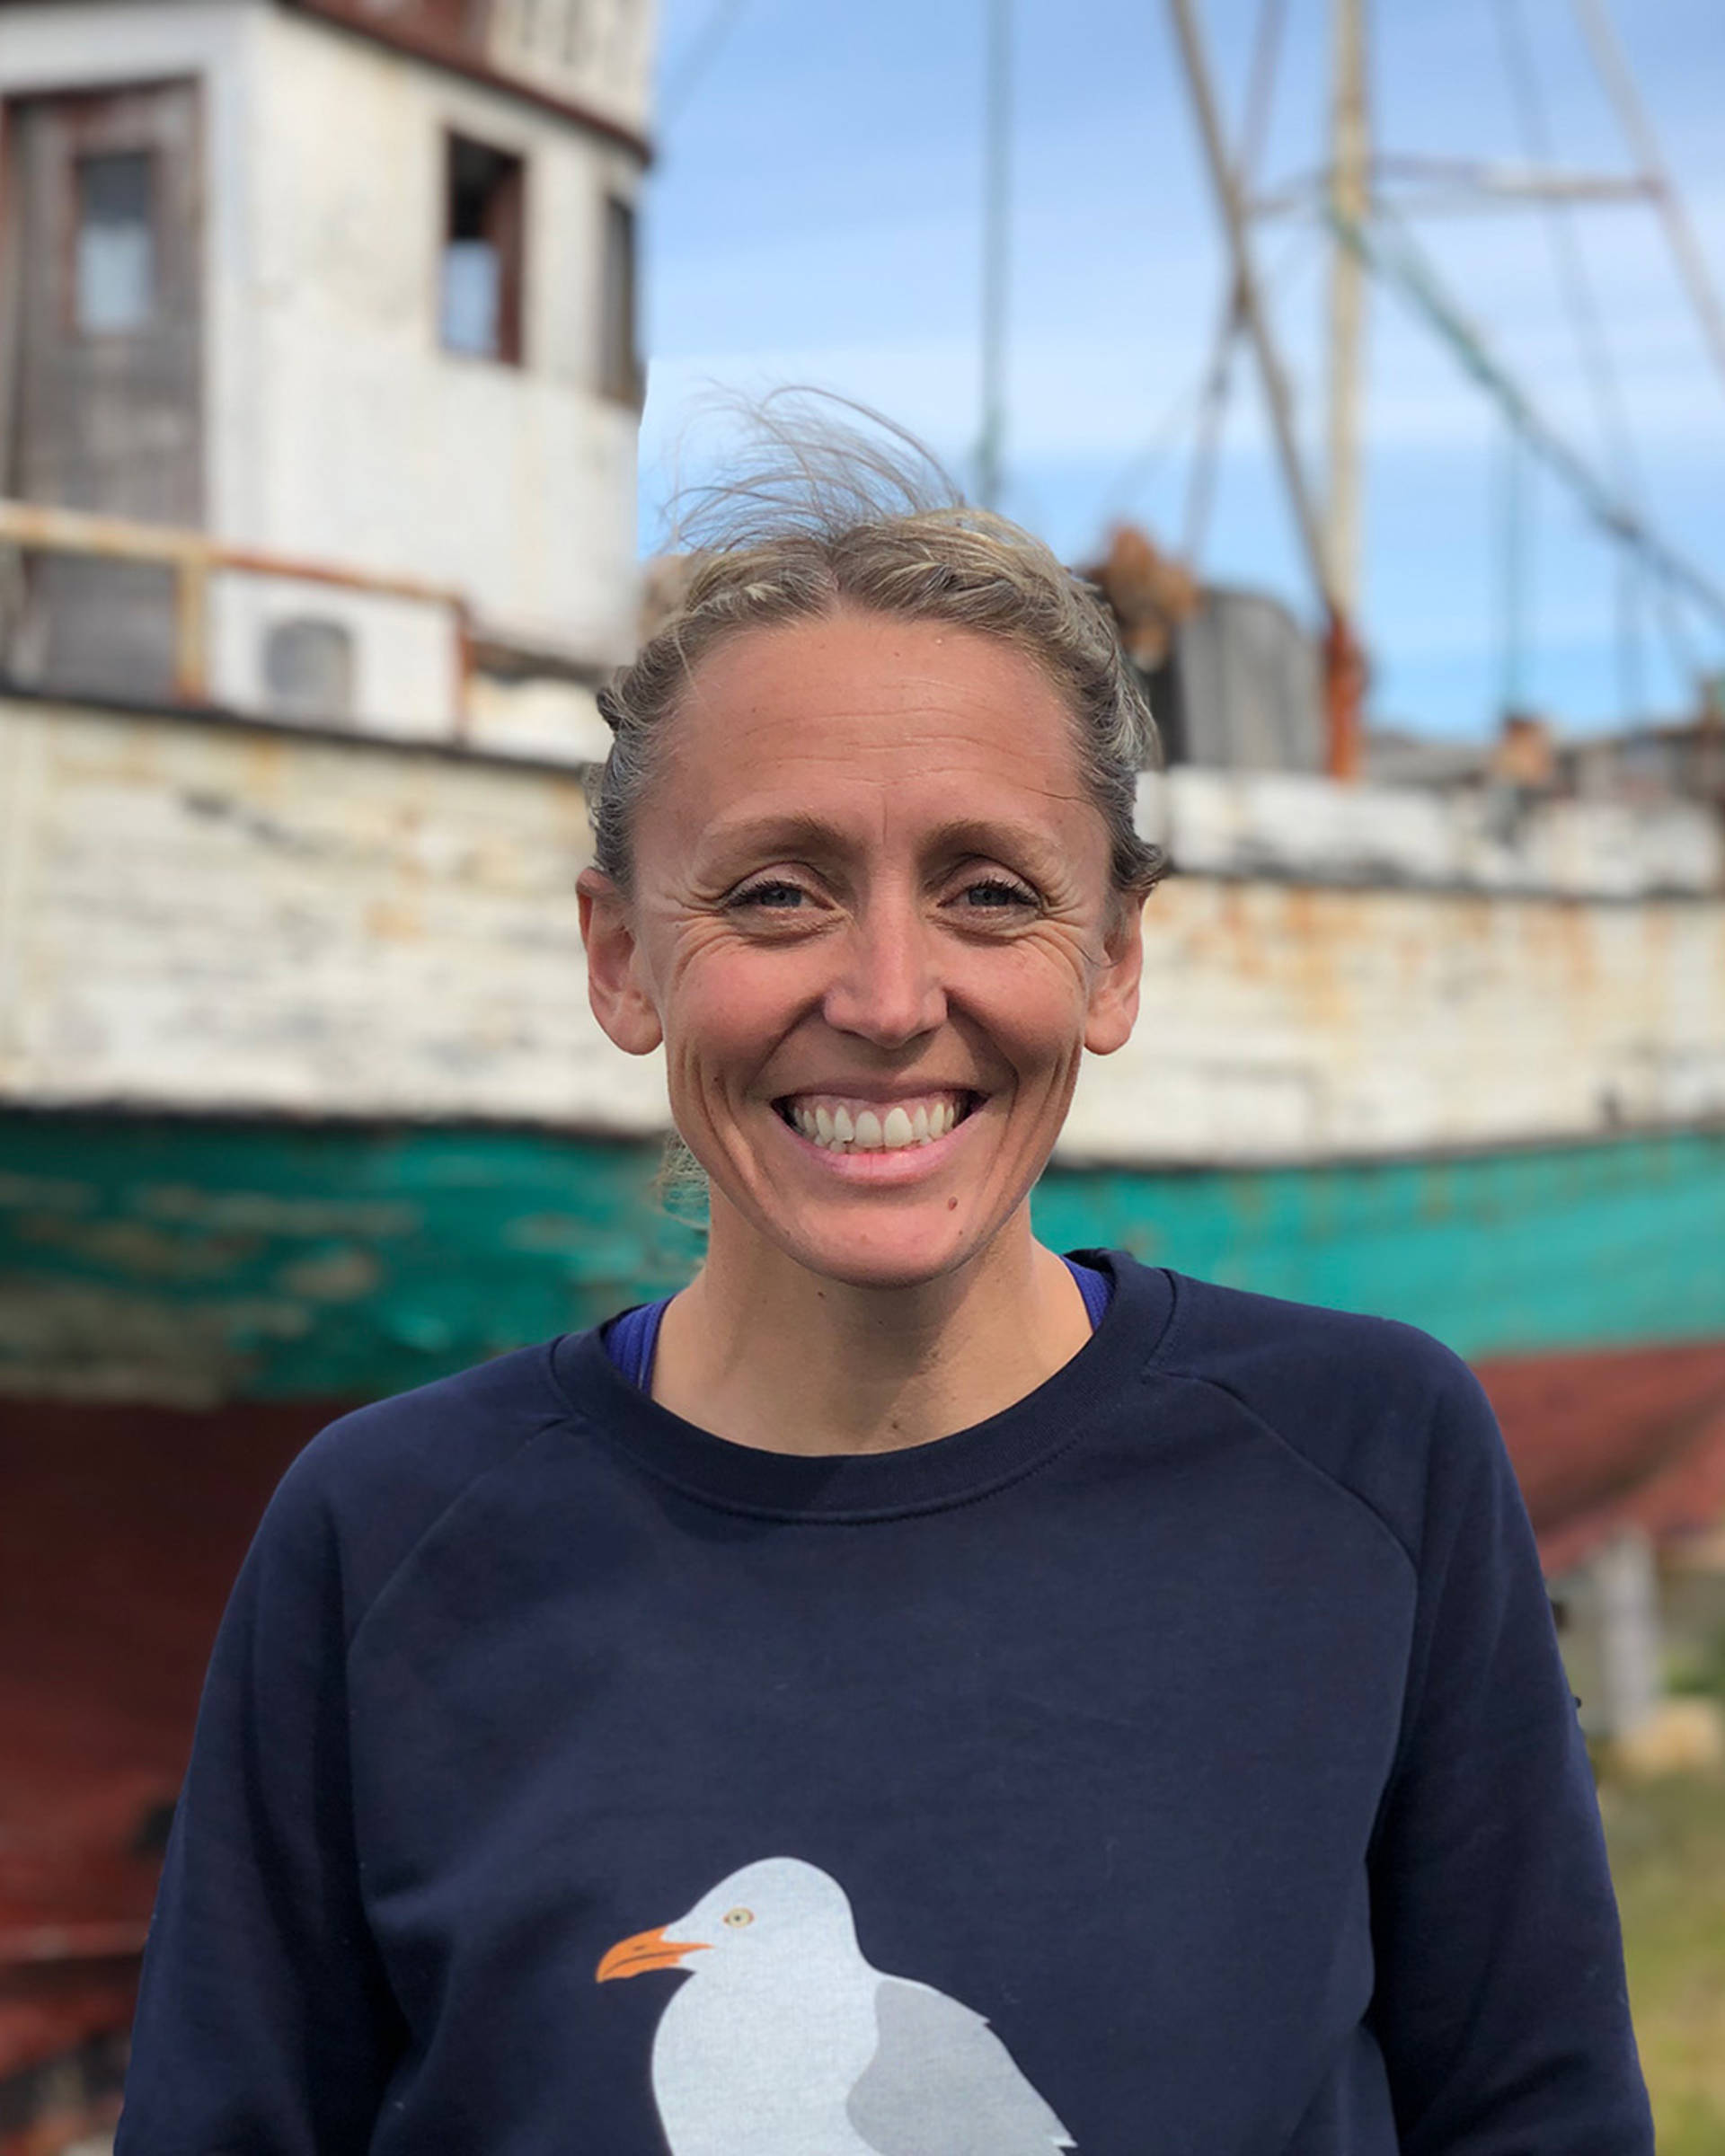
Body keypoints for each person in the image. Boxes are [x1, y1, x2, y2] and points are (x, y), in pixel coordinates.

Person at [118, 409, 1651, 2155]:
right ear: (622, 958)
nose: (889, 991)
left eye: (991, 890)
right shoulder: (382, 1543)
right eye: (778, 892)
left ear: (1116, 957)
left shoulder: (1367, 1469)